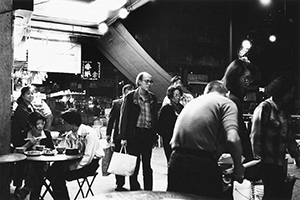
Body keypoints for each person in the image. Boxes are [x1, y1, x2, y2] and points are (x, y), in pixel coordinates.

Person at [167, 80, 244, 198]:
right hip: (200, 164)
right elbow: (232, 139)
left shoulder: (193, 103)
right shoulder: (226, 102)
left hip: (175, 161)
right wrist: (238, 168)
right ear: (226, 93)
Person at [250, 74, 300, 200]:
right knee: (273, 195)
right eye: (289, 92)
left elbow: (289, 139)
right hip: (266, 164)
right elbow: (256, 137)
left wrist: (298, 156)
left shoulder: (285, 112)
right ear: (281, 91)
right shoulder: (265, 108)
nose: (290, 96)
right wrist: (258, 162)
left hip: (279, 164)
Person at [46, 109, 104, 200]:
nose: (63, 125)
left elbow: (88, 157)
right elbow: (66, 150)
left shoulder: (89, 133)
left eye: (64, 122)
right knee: (51, 171)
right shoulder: (70, 135)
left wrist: (73, 167)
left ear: (72, 124)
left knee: (57, 175)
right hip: (74, 160)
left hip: (90, 164)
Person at [119, 72, 158, 191]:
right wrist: (123, 137)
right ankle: (134, 190)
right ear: (139, 82)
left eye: (150, 81)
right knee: (134, 165)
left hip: (147, 135)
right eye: (146, 81)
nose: (149, 84)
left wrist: (154, 136)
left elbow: (154, 117)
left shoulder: (152, 98)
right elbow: (124, 117)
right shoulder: (131, 97)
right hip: (134, 134)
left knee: (147, 164)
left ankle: (148, 191)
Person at [221, 59, 256, 163]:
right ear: (235, 77)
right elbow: (238, 132)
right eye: (246, 78)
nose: (248, 82)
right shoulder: (233, 100)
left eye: (250, 79)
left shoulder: (228, 96)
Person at [14, 112, 55, 200]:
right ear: (31, 125)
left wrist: (44, 149)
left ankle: (25, 190)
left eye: (42, 124)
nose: (41, 126)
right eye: (38, 124)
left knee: (37, 167)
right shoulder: (24, 135)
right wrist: (28, 145)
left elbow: (52, 149)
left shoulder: (46, 134)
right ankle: (33, 196)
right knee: (35, 169)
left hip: (43, 164)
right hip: (25, 167)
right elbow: (16, 151)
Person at [106, 83, 134, 191]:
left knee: (131, 158)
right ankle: (120, 183)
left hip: (131, 136)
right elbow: (111, 120)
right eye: (128, 92)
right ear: (124, 93)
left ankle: (133, 181)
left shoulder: (135, 104)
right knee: (119, 158)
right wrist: (108, 134)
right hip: (118, 136)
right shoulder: (117, 103)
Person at [11, 85, 36, 192]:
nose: (31, 96)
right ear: (23, 95)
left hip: (25, 136)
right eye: (28, 94)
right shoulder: (21, 108)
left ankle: (22, 185)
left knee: (23, 162)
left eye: (32, 93)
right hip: (20, 138)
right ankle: (19, 187)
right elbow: (27, 124)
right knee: (21, 161)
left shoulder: (29, 106)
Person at [157, 85, 183, 162]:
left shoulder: (182, 108)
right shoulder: (165, 109)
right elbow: (160, 125)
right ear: (171, 96)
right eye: (176, 95)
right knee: (171, 160)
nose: (178, 97)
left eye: (179, 95)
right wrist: (166, 134)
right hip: (168, 139)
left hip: (180, 139)